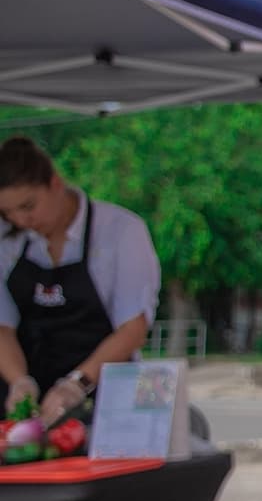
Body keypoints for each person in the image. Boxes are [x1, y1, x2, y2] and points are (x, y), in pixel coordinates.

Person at [0, 137, 161, 427]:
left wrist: (76, 384)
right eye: (8, 213)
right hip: (33, 403)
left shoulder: (121, 231)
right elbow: (2, 327)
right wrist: (19, 381)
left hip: (107, 395)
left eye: (28, 206)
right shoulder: (7, 240)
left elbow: (133, 330)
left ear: (55, 183)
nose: (22, 220)